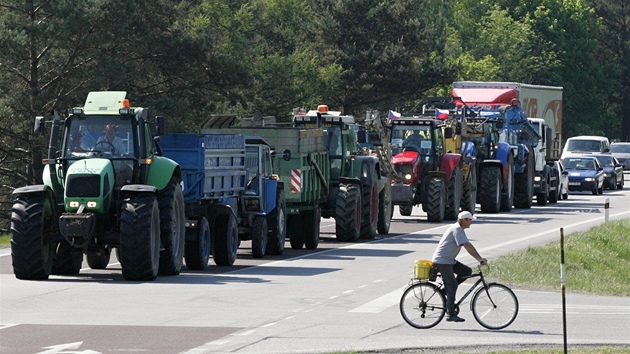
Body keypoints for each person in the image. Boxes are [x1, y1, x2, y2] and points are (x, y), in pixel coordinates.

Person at [431, 211, 487, 322]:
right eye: (469, 220)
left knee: (466, 271)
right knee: (452, 285)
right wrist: (479, 259)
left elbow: (467, 244)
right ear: (463, 220)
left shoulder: (458, 229)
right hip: (442, 262)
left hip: (449, 261)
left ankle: (444, 291)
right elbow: (467, 246)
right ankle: (450, 314)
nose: (471, 222)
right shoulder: (457, 229)